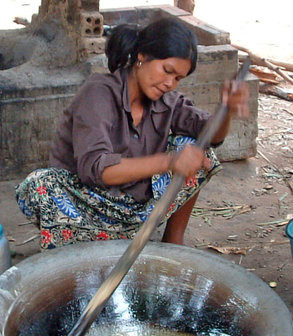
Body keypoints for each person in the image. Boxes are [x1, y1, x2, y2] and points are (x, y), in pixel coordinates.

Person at [15, 17, 250, 250]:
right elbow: (96, 169)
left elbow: (211, 136)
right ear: (142, 56)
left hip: (135, 208)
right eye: (167, 71)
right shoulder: (98, 93)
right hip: (87, 206)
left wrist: (226, 110)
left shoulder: (167, 101)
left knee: (195, 148)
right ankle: (78, 250)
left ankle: (173, 242)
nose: (170, 83)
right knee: (39, 185)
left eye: (178, 78)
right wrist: (169, 161)